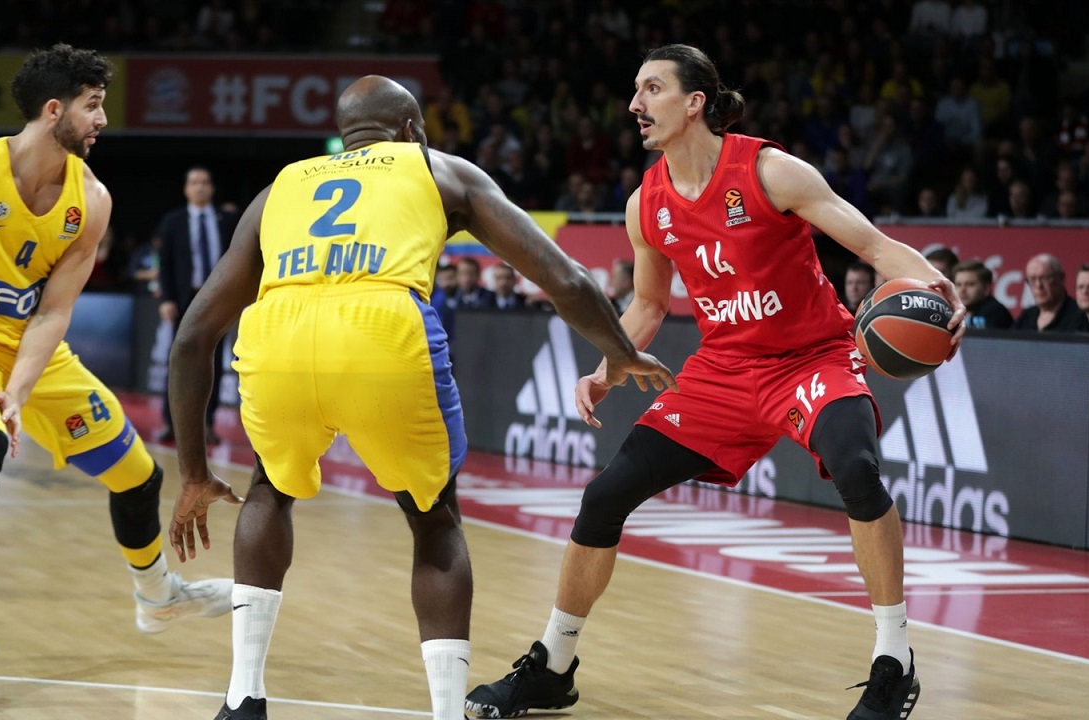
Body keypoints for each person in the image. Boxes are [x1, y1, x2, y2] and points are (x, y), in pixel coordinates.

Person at [465, 44, 965, 720]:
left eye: (652, 89)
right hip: (723, 371)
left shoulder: (770, 171)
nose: (635, 104)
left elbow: (874, 247)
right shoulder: (646, 204)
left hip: (811, 358)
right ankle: (553, 665)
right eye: (635, 90)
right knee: (605, 496)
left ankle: (893, 660)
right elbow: (647, 305)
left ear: (695, 101)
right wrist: (608, 367)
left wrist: (938, 289)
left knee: (857, 468)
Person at [164, 75, 677, 720]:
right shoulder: (438, 170)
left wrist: (192, 473)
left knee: (269, 488)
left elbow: (193, 336)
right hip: (381, 331)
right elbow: (566, 278)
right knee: (434, 518)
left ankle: (243, 699)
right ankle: (443, 711)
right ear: (410, 131)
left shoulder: (280, 188)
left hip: (277, 335)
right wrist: (620, 352)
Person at [0, 44, 231, 714]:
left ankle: (159, 598)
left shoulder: (90, 200)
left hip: (31, 350)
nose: (102, 119)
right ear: (53, 109)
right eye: (93, 105)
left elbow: (54, 310)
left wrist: (20, 391)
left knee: (139, 477)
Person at [155, 166, 237, 443]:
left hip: (217, 299)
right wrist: (166, 299)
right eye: (194, 182)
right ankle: (172, 424)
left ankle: (207, 424)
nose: (200, 187)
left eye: (204, 182)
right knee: (179, 360)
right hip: (183, 300)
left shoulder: (227, 220)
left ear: (211, 188)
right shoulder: (173, 221)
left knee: (213, 362)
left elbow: (239, 259)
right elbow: (165, 264)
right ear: (186, 189)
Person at [1014, 253, 1087, 332]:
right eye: (1032, 279)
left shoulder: (1080, 316)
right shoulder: (1026, 317)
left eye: (1045, 278)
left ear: (1061, 278)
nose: (1038, 285)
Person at [951, 260, 1014, 329]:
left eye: (970, 284)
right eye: (958, 284)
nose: (962, 290)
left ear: (985, 288)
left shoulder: (996, 313)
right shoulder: (951, 310)